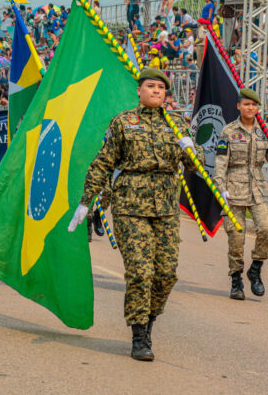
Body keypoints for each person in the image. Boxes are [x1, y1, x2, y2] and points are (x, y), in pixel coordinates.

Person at [72, 67, 202, 362]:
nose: (156, 91)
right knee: (140, 272)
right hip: (130, 207)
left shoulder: (177, 124)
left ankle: (150, 320)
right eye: (151, 86)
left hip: (166, 207)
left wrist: (191, 149)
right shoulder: (123, 123)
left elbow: (196, 166)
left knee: (166, 274)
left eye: (161, 88)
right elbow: (103, 163)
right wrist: (86, 200)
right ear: (140, 91)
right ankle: (139, 334)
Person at [214, 89, 268, 301]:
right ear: (238, 106)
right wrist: (221, 189)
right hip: (233, 189)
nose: (250, 108)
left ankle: (256, 268)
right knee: (236, 239)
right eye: (246, 104)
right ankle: (236, 279)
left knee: (266, 229)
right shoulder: (228, 132)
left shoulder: (264, 131)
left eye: (254, 105)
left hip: (258, 188)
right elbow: (220, 163)